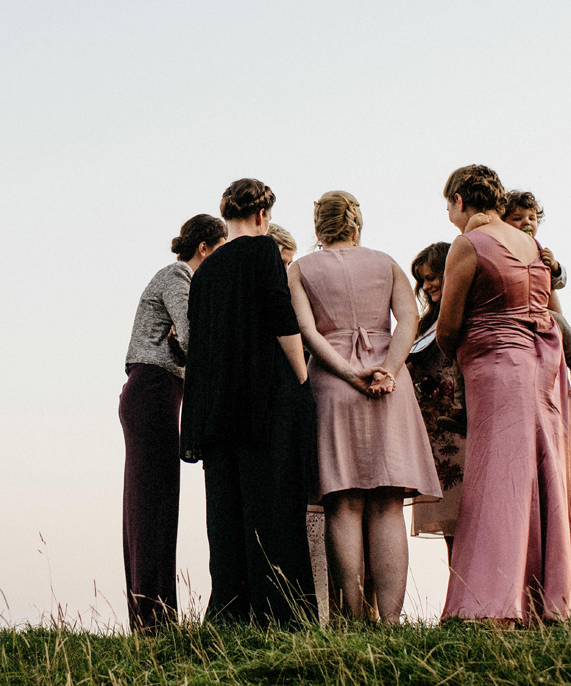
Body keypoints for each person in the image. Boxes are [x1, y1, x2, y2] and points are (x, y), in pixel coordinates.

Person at [436, 165, 571, 624]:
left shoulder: (468, 245)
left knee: (498, 478)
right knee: (545, 477)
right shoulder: (534, 245)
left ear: (461, 200)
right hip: (544, 368)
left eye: (448, 207)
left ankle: (491, 602)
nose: (449, 216)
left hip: (497, 366)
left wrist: (449, 354)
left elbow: (448, 325)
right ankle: (550, 602)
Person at [288, 191, 441, 623]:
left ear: (318, 227)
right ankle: (390, 621)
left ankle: (352, 618)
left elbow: (306, 331)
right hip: (387, 385)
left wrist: (344, 371)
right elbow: (409, 320)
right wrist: (387, 370)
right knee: (388, 504)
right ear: (356, 224)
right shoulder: (387, 262)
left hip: (333, 386)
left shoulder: (300, 269)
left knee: (344, 502)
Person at [179, 178, 316, 626]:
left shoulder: (205, 271)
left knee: (227, 509)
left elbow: (199, 340)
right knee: (272, 501)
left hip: (215, 407)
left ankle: (231, 609)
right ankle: (278, 610)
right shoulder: (263, 251)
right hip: (262, 398)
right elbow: (281, 317)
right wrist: (301, 375)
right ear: (262, 214)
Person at [121, 213, 227, 632]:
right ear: (205, 248)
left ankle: (156, 616)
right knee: (151, 507)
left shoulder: (178, 277)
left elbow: (182, 341)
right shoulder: (178, 275)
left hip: (159, 391)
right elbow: (192, 332)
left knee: (157, 505)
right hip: (153, 391)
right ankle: (152, 620)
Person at [502, 191, 571, 398]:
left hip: (538, 311)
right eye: (517, 218)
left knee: (560, 321)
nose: (526, 222)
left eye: (531, 218)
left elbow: (558, 283)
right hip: (512, 311)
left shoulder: (539, 251)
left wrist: (553, 266)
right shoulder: (502, 248)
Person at [406, 241, 465, 557]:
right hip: (432, 431)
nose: (427, 286)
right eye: (422, 280)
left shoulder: (468, 315)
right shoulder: (421, 325)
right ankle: (459, 596)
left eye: (432, 277)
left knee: (473, 515)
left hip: (464, 424)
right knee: (449, 525)